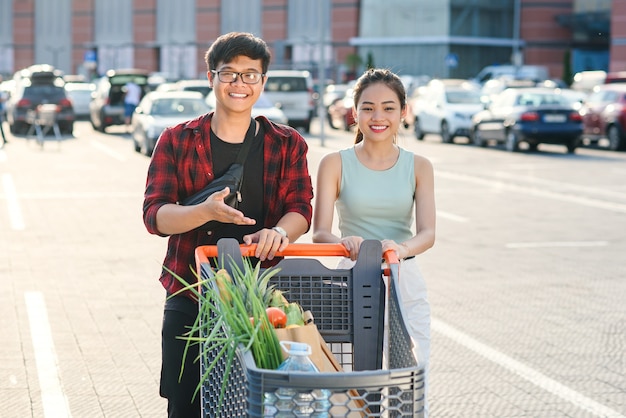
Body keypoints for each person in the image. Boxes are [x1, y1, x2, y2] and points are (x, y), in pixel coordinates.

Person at [142, 32, 314, 418]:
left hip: (263, 303)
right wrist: (206, 211)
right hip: (191, 295)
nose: (239, 83)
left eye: (250, 75)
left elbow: (300, 208)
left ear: (263, 82)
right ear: (210, 78)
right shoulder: (176, 140)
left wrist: (280, 232)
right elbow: (155, 216)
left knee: (260, 406)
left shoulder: (286, 144)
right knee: (186, 406)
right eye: (229, 74)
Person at [312, 68, 436, 416]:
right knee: (347, 385)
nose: (377, 117)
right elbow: (319, 231)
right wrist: (343, 242)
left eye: (388, 108)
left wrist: (400, 249)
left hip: (403, 278)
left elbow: (428, 233)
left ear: (403, 113)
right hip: (349, 277)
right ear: (354, 112)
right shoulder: (334, 163)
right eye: (368, 108)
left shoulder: (420, 166)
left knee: (408, 381)